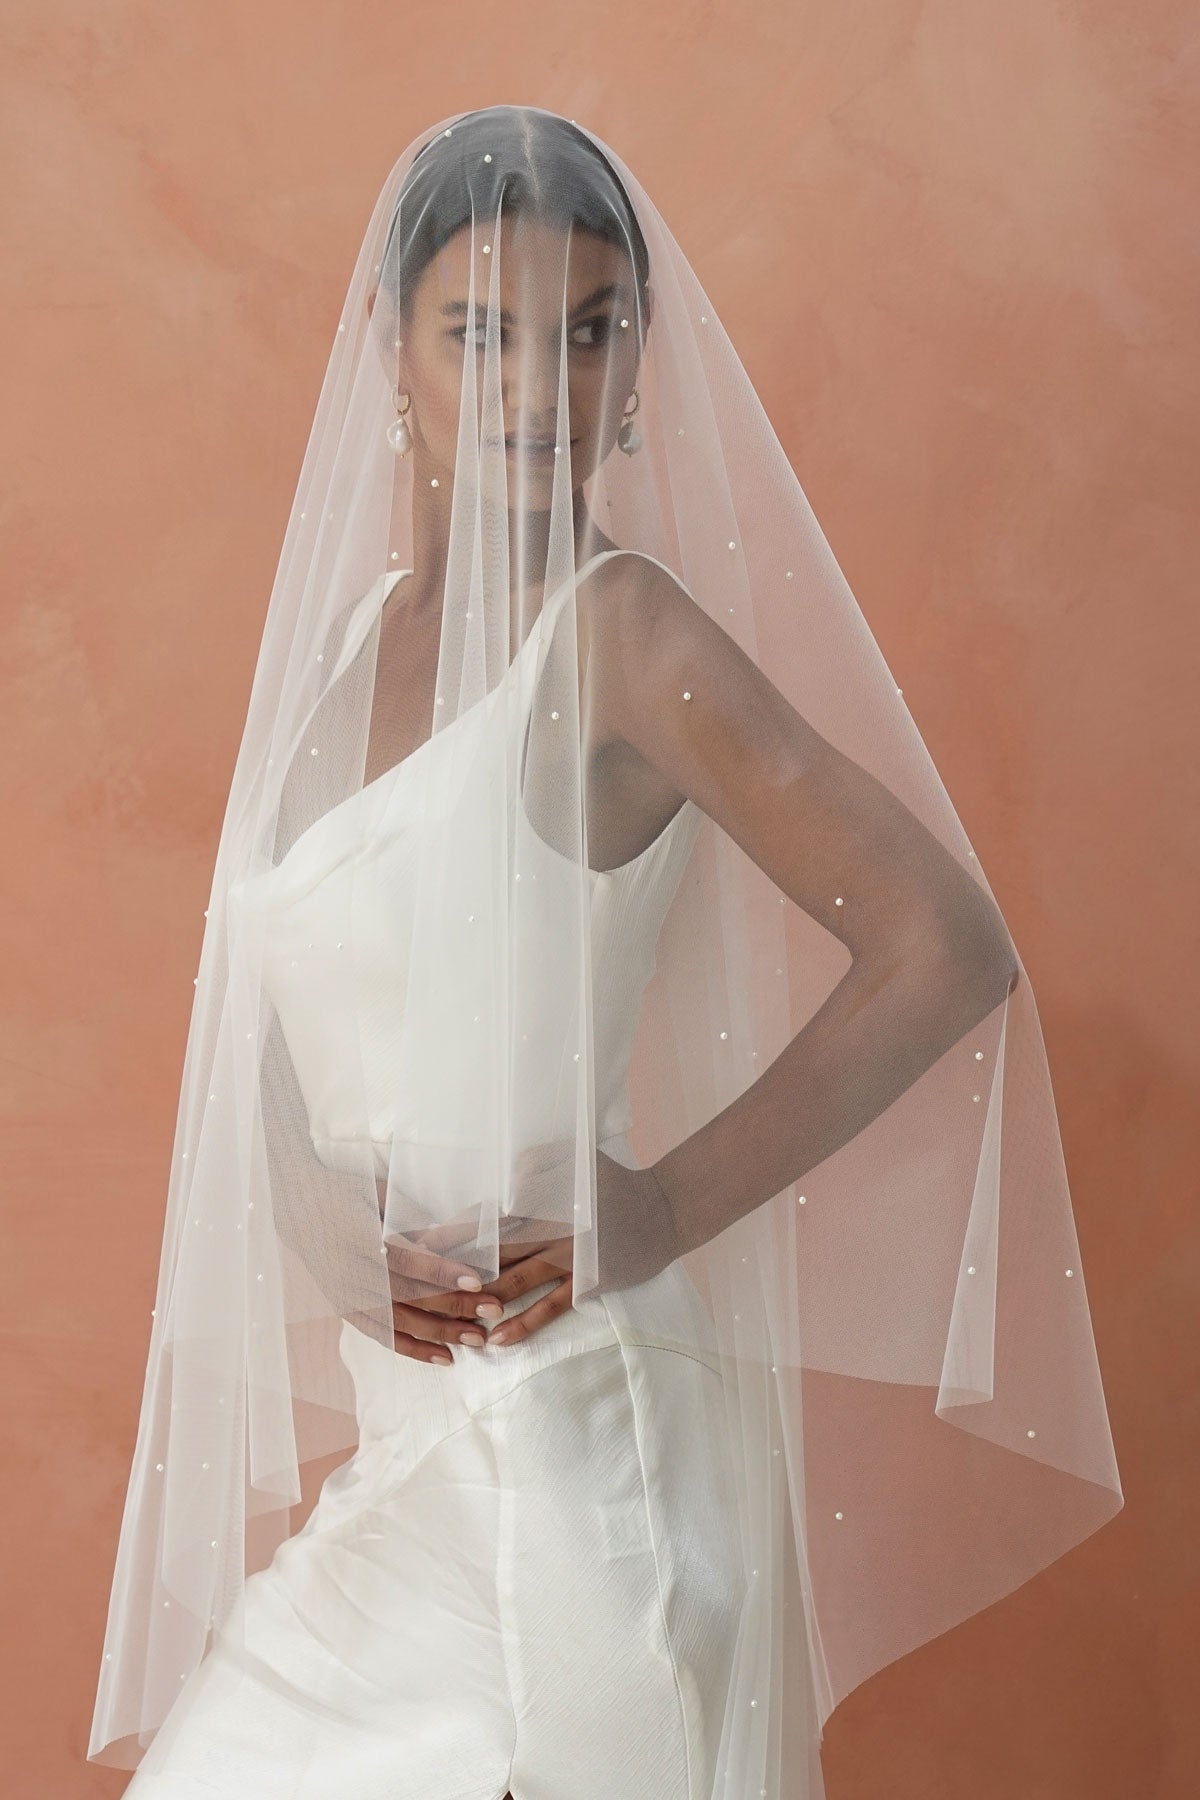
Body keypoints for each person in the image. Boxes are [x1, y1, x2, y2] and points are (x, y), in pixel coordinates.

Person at [88, 105, 1124, 1800]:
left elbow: (947, 943)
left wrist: (661, 1208)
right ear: (388, 348)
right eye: (479, 331)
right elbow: (286, 1024)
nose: (534, 387)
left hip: (574, 1467)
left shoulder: (623, 640)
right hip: (413, 1442)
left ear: (637, 361)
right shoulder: (353, 647)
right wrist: (332, 1238)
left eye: (587, 333)